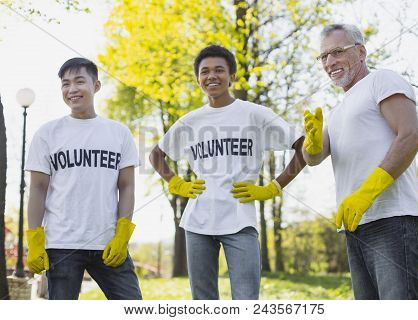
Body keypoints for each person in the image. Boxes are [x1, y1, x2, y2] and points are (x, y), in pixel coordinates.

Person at [150, 45, 305, 300]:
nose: (212, 76)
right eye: (205, 71)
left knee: (246, 300)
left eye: (219, 70)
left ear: (232, 75)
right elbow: (156, 155)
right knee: (204, 302)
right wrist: (175, 182)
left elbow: (301, 147)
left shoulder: (253, 114)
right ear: (198, 79)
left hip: (239, 218)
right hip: (197, 222)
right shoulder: (190, 121)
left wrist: (274, 187)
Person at [302, 24, 418, 299]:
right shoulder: (336, 111)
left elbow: (411, 136)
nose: (329, 62)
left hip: (391, 218)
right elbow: (313, 159)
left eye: (336, 52)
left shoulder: (382, 80)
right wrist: (310, 142)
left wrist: (366, 194)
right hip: (354, 226)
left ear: (360, 51)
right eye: (323, 57)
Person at [25, 58, 142, 300]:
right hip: (62, 244)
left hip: (108, 242)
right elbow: (37, 188)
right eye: (65, 84)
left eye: (79, 81)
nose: (72, 89)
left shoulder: (118, 133)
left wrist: (122, 235)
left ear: (96, 86)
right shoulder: (47, 134)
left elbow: (127, 186)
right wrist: (35, 238)